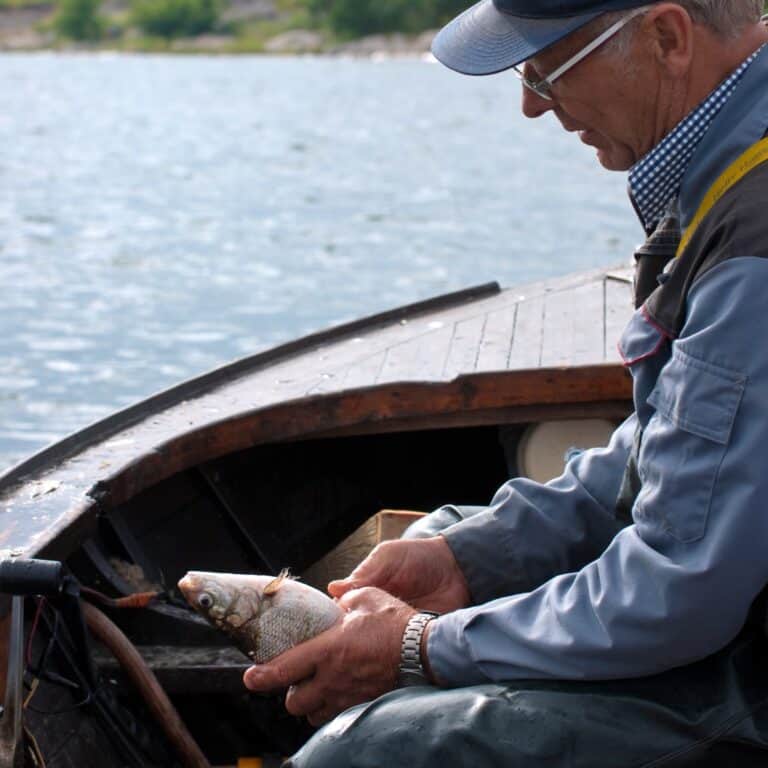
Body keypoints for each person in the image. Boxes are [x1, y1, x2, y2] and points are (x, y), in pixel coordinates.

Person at [243, 1, 768, 764]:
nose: (531, 105)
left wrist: (420, 646)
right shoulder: (734, 168)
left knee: (363, 753)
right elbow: (663, 452)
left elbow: (680, 588)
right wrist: (471, 560)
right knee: (440, 539)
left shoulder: (755, 242)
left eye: (548, 70)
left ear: (667, 37)